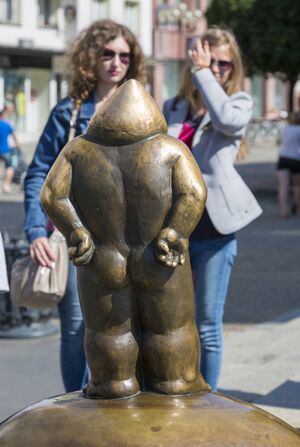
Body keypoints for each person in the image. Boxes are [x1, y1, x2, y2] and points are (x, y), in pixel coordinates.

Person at [24, 19, 146, 392]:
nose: (116, 62)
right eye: (107, 53)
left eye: (124, 55)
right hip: (77, 242)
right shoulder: (70, 112)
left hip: (132, 244)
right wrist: (34, 231)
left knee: (129, 330)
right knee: (79, 331)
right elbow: (38, 175)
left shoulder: (144, 112)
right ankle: (77, 414)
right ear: (90, 58)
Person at [163, 27, 262, 391]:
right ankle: (179, 384)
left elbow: (226, 121)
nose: (216, 68)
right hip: (175, 230)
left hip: (215, 231)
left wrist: (204, 76)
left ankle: (211, 400)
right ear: (191, 60)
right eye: (208, 61)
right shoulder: (174, 106)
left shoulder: (238, 101)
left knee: (207, 324)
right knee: (174, 319)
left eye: (223, 63)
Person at [277, 112, 300, 218]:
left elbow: (278, 142)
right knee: (297, 186)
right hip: (296, 158)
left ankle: (283, 211)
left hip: (283, 158)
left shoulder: (283, 128)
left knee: (283, 186)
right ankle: (298, 210)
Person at [0, 106, 20, 193]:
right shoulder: (7, 125)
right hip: (6, 150)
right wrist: (17, 145)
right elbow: (14, 137)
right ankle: (6, 185)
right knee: (9, 167)